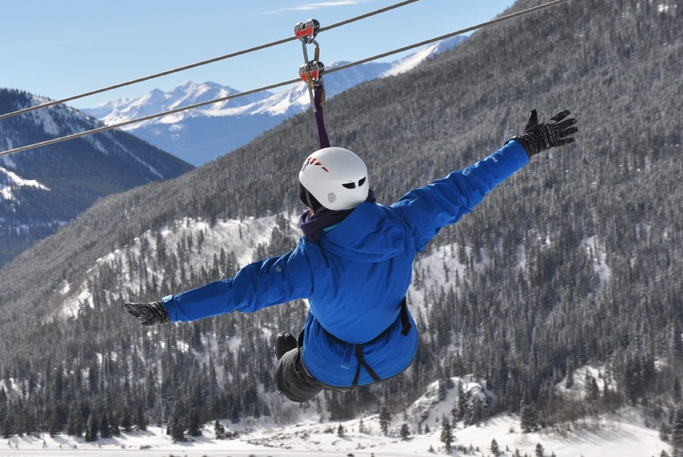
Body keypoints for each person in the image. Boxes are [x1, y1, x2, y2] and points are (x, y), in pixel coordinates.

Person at [125, 108, 578, 403]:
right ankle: (299, 352)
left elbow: (238, 292)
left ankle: (293, 358)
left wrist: (168, 310)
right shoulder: (407, 222)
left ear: (316, 199)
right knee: (328, 329)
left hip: (331, 365)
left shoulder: (309, 266)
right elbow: (469, 184)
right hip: (398, 350)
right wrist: (528, 145)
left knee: (293, 379)